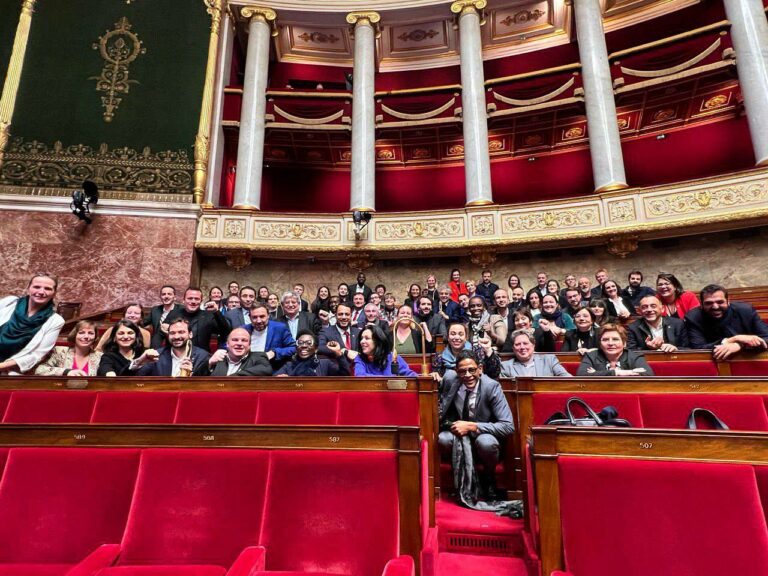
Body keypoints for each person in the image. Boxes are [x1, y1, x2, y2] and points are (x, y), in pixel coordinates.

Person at [439, 351, 514, 500]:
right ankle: (459, 479)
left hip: (482, 434)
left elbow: (508, 426)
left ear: (480, 369)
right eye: (462, 371)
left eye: (471, 370)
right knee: (443, 438)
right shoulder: (450, 380)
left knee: (486, 443)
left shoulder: (491, 387)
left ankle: (489, 478)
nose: (467, 375)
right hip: (458, 435)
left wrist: (473, 426)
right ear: (456, 371)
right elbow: (442, 409)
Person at [0, 274, 64, 375]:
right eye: (36, 287)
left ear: (54, 293)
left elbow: (36, 355)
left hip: (7, 371)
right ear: (28, 288)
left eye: (47, 288)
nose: (41, 292)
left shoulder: (56, 321)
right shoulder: (8, 303)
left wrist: (1, 366)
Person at [685, 284, 768, 360]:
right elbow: (697, 348)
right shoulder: (693, 317)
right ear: (701, 305)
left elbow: (766, 336)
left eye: (720, 302)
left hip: (749, 359)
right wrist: (732, 339)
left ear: (728, 301)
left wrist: (740, 345)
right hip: (715, 362)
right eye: (708, 303)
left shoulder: (745, 310)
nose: (715, 307)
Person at [135, 318, 211, 377]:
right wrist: (140, 362)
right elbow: (137, 379)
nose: (176, 336)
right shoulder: (157, 355)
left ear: (190, 334)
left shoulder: (203, 356)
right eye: (172, 333)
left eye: (181, 332)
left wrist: (192, 377)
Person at [166, 287, 230, 353]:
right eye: (190, 298)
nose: (193, 301)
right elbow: (161, 333)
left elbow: (225, 332)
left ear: (201, 301)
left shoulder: (208, 316)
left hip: (201, 358)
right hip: (175, 356)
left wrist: (217, 312)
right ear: (184, 300)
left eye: (197, 299)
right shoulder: (173, 314)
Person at [431, 322, 501, 381]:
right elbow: (437, 375)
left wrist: (488, 351)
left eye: (461, 334)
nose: (457, 337)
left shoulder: (476, 351)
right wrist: (435, 374)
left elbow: (494, 373)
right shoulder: (440, 356)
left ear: (465, 337)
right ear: (448, 338)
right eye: (453, 334)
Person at [577, 324, 655, 376]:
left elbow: (648, 375)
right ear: (600, 343)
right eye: (605, 340)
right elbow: (581, 375)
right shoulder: (591, 356)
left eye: (615, 339)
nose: (610, 343)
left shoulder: (634, 357)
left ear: (624, 343)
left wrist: (596, 373)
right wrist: (618, 372)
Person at [35, 319, 102, 376]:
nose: (86, 336)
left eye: (90, 333)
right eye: (81, 333)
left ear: (95, 337)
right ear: (75, 335)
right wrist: (66, 372)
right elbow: (39, 370)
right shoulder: (60, 351)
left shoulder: (100, 356)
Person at [276, 331, 350, 376]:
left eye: (309, 343)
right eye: (300, 343)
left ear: (316, 349)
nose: (304, 346)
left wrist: (339, 353)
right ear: (296, 347)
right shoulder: (289, 365)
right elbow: (274, 381)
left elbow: (345, 376)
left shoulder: (325, 364)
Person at [500, 330, 571, 377]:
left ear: (533, 345)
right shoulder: (506, 366)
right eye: (517, 344)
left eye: (525, 343)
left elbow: (568, 380)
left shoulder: (549, 360)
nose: (522, 347)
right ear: (513, 348)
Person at [208, 327, 272, 376]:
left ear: (249, 345)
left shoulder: (259, 357)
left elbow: (266, 370)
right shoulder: (218, 358)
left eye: (244, 340)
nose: (239, 344)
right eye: (235, 340)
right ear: (227, 344)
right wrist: (209, 363)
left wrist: (231, 378)